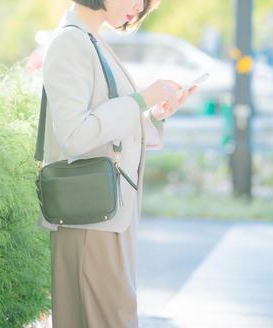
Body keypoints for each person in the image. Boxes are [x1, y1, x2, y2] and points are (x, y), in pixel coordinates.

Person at [40, 0, 197, 327]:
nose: (139, 7)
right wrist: (140, 100)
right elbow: (75, 134)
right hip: (91, 220)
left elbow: (108, 130)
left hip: (105, 216)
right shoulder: (72, 41)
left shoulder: (89, 39)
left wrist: (154, 114)